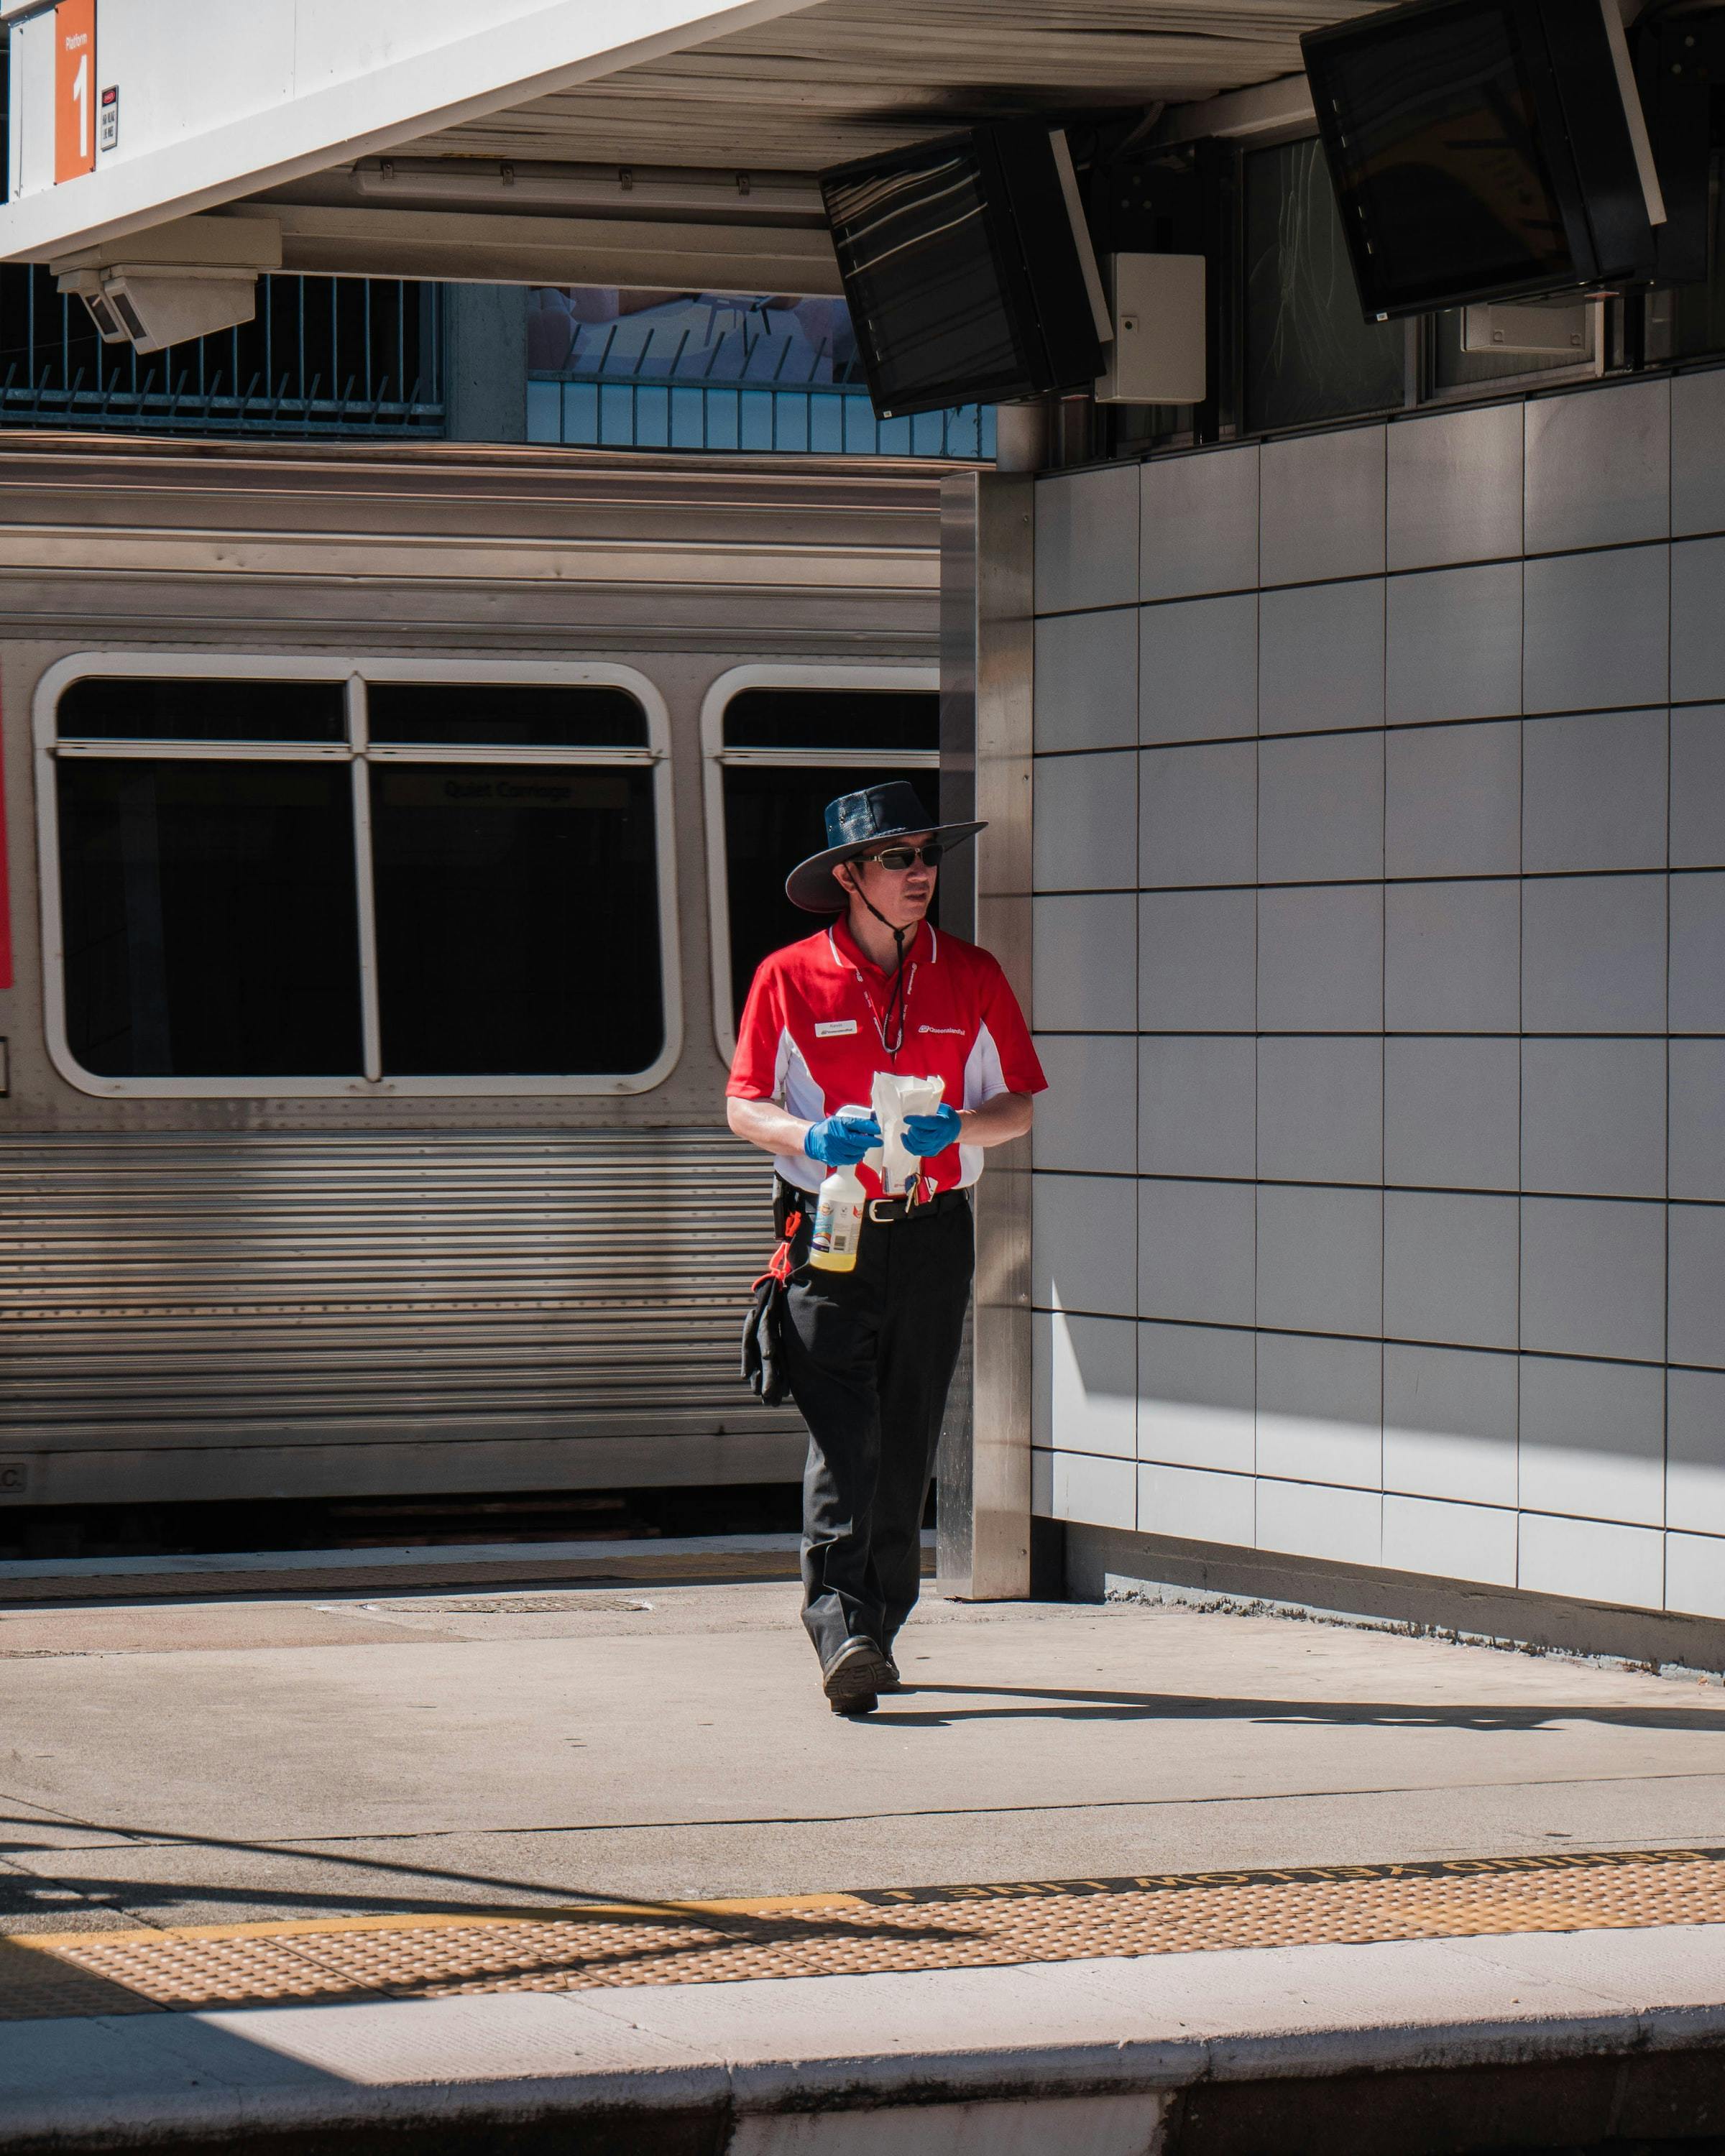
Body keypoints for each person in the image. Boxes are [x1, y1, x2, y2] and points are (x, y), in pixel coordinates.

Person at [725, 781, 1046, 1716]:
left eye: (927, 856)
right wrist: (807, 1136)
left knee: (905, 1439)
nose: (921, 873)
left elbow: (1017, 1104)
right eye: (899, 858)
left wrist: (963, 1129)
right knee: (843, 1436)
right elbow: (743, 1104)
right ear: (851, 876)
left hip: (935, 1235)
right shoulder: (788, 977)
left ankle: (881, 1622)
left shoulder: (974, 974)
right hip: (827, 1235)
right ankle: (842, 1627)